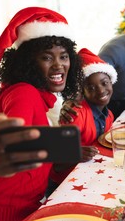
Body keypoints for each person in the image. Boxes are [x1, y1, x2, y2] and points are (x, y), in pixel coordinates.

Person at [0, 7, 83, 221]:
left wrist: (67, 149)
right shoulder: (23, 93)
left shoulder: (37, 96)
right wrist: (67, 145)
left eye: (63, 56)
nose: (58, 65)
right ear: (27, 62)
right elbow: (16, 139)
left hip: (21, 216)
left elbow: (34, 149)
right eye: (46, 57)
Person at [44, 48, 117, 196]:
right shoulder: (74, 115)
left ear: (112, 82)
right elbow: (56, 163)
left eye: (104, 83)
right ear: (82, 92)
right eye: (91, 87)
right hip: (63, 184)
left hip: (89, 177)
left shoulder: (109, 115)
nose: (101, 90)